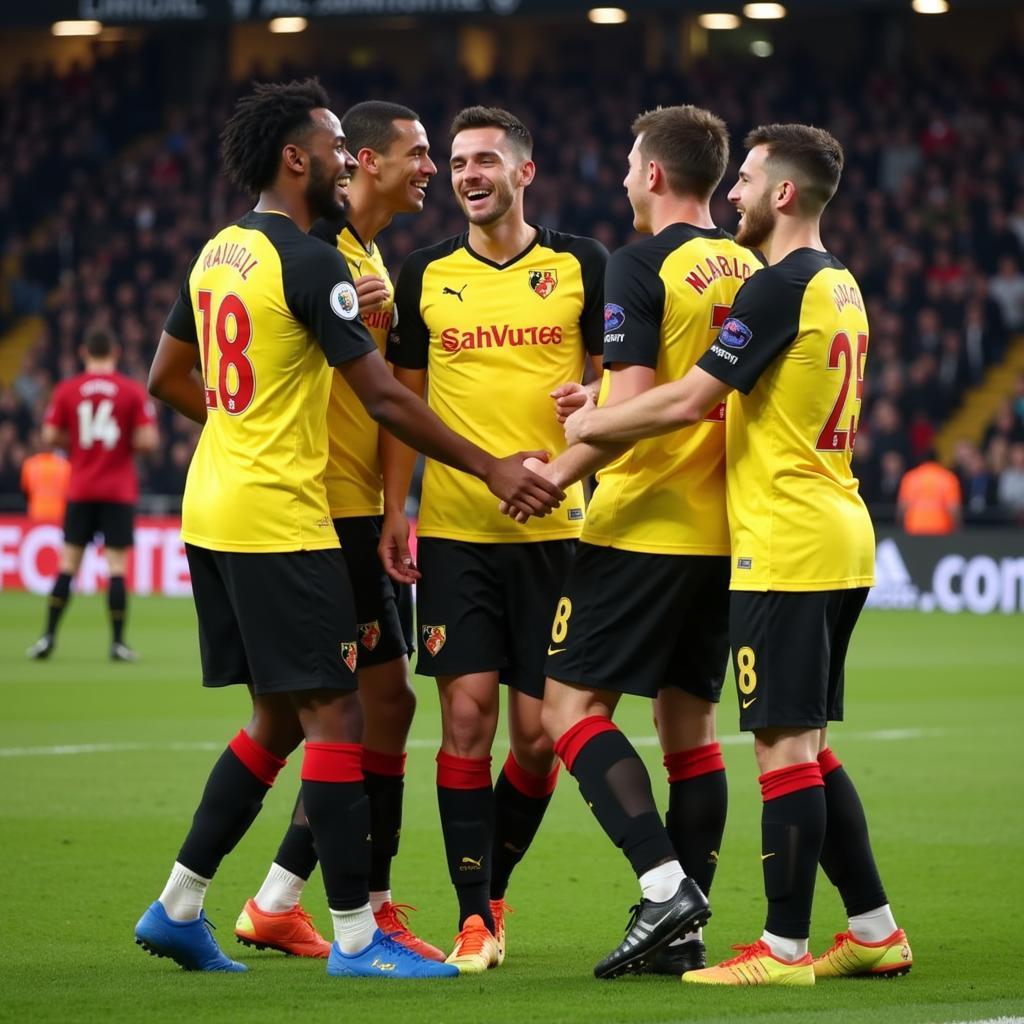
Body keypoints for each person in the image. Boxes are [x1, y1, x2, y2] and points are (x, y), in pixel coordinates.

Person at [135, 78, 563, 979]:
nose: (356, 160)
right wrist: (488, 467)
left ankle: (202, 904)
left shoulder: (222, 249)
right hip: (296, 517)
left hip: (220, 508)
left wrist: (244, 435)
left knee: (290, 718)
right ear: (304, 158)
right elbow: (382, 395)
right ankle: (361, 932)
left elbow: (169, 379)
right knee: (345, 712)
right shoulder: (316, 258)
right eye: (337, 145)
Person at [564, 124, 912, 986]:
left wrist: (590, 422)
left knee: (784, 750)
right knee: (811, 746)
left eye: (749, 182)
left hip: (784, 542)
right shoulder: (840, 283)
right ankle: (872, 929)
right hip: (840, 527)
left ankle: (784, 949)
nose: (736, 198)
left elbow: (687, 399)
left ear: (783, 194)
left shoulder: (780, 286)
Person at [504, 105, 759, 979]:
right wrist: (601, 405)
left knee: (566, 709)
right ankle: (683, 935)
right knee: (688, 725)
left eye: (626, 165)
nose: (620, 180)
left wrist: (557, 471)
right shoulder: (756, 266)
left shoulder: (639, 262)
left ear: (654, 174)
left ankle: (663, 888)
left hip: (642, 523)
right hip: (727, 531)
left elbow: (639, 415)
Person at [381, 106, 607, 972]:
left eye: (484, 161)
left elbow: (620, 382)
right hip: (456, 532)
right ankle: (474, 918)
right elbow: (403, 403)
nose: (467, 174)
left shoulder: (580, 263)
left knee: (540, 737)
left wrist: (589, 410)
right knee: (465, 717)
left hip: (557, 529)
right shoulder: (424, 273)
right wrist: (396, 508)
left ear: (524, 171)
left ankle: (495, 883)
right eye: (457, 161)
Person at [235, 100, 445, 962]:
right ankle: (364, 912)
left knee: (366, 708)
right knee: (350, 711)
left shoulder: (366, 258)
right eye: (419, 152)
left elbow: (388, 402)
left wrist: (398, 506)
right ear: (361, 161)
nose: (429, 167)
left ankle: (277, 898)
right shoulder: (322, 256)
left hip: (360, 507)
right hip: (314, 509)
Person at [26, 327, 158, 662]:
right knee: (116, 568)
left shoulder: (68, 390)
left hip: (81, 487)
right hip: (117, 490)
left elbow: (50, 433)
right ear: (115, 352)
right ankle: (117, 643)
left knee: (68, 563)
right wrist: (121, 444)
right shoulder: (130, 391)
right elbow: (149, 441)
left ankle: (47, 637)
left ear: (84, 353)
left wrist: (80, 446)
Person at [896, 452, 962, 535]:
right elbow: (954, 509)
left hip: (914, 528)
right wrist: (958, 529)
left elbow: (902, 508)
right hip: (941, 529)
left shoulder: (910, 478)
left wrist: (899, 528)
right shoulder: (948, 478)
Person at [20, 436, 70, 523]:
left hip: (37, 511)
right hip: (59, 513)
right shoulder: (65, 465)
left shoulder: (29, 464)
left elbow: (25, 491)